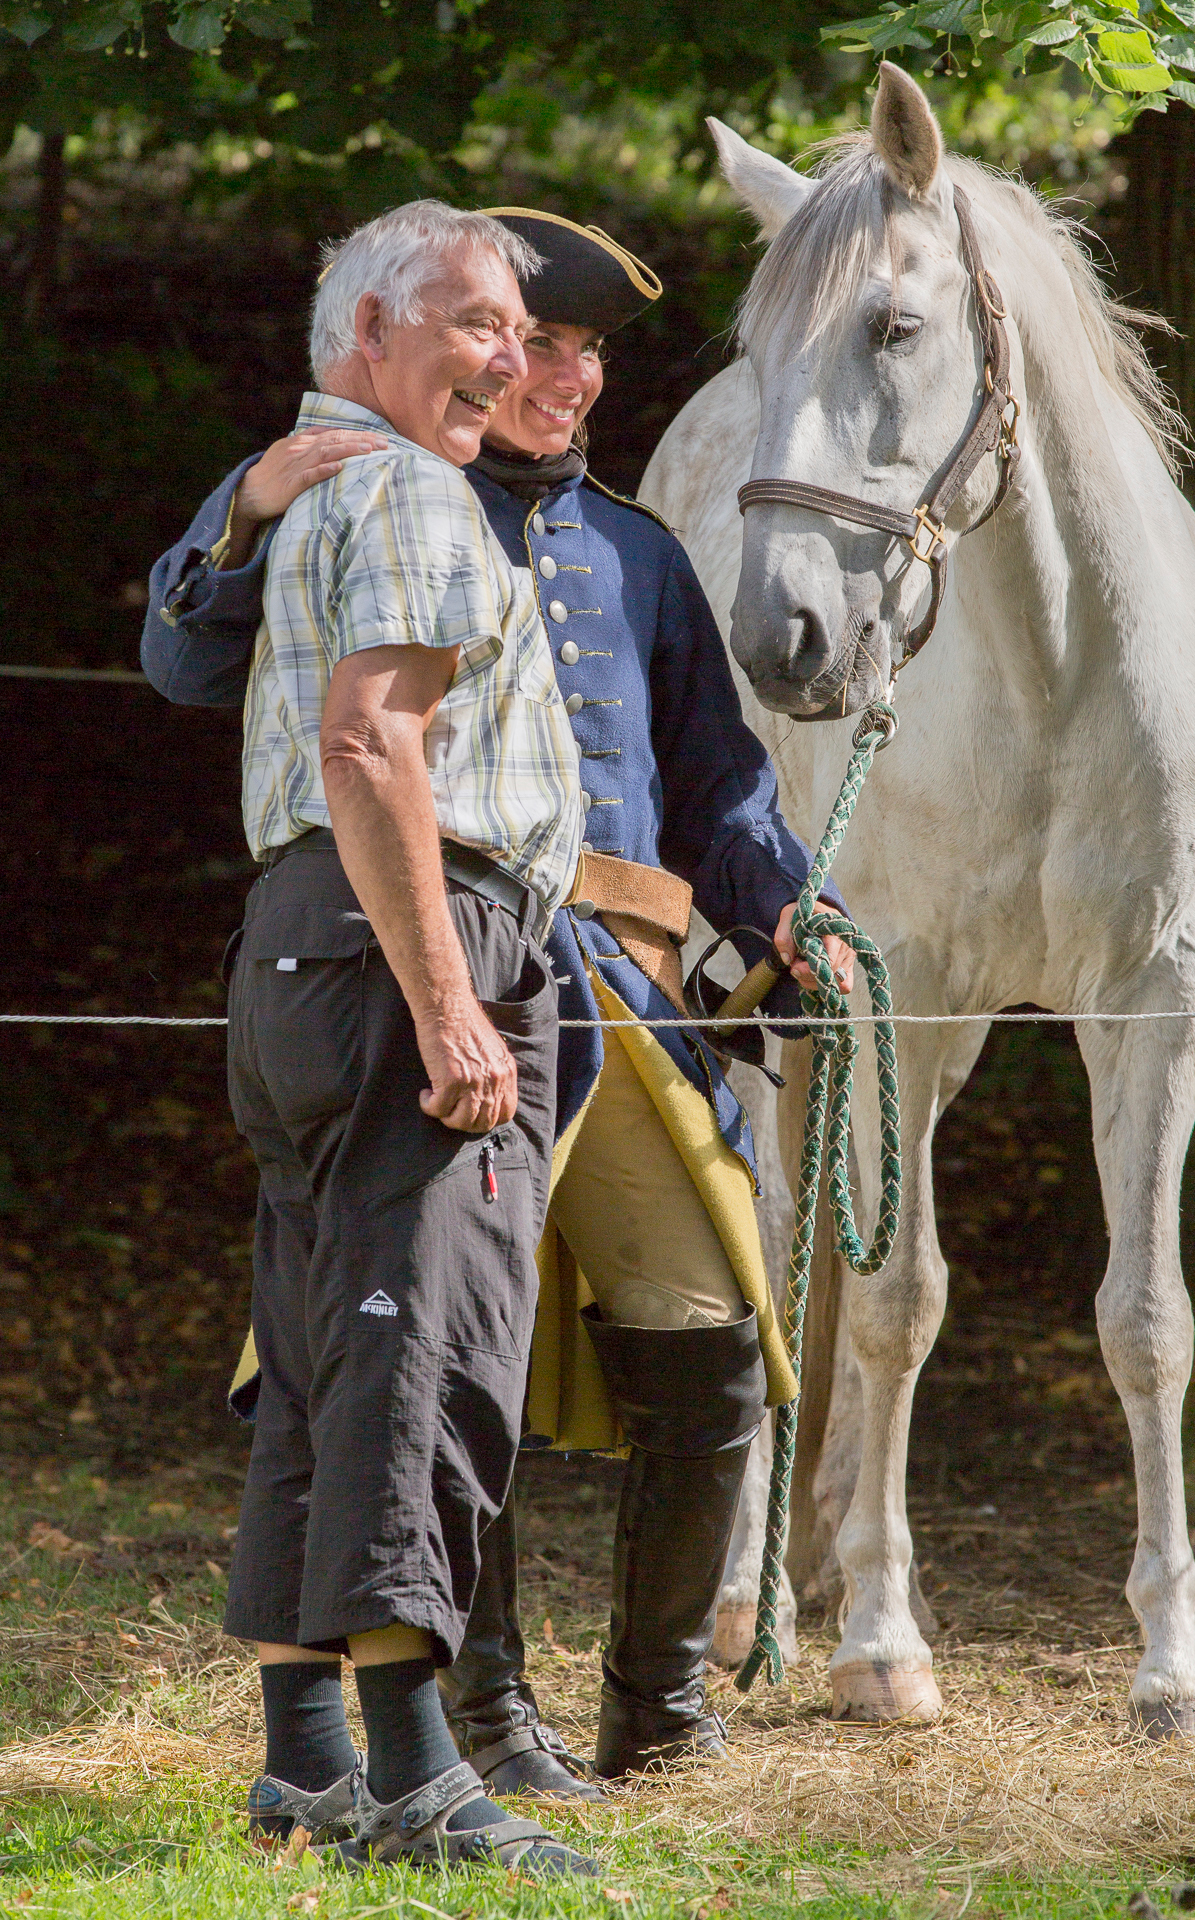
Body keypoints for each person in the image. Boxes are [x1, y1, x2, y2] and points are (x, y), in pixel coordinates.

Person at [143, 209, 854, 1806]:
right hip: (435, 959)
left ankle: (659, 1709)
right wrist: (241, 510)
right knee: (437, 1345)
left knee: (712, 1335)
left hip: (618, 994)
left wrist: (789, 906)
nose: (559, 374)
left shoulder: (639, 554)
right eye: (531, 340)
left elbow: (721, 782)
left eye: (583, 349)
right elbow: (191, 668)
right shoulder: (357, 482)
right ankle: (479, 1723)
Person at [200, 198, 597, 1878]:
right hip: (408, 938)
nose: (511, 356)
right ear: (370, 331)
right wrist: (453, 1007)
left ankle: (306, 1764)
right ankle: (420, 1781)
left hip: (305, 942)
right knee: (420, 1344)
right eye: (476, 321)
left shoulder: (321, 490)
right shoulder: (418, 497)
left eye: (518, 327)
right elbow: (370, 749)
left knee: (319, 1343)